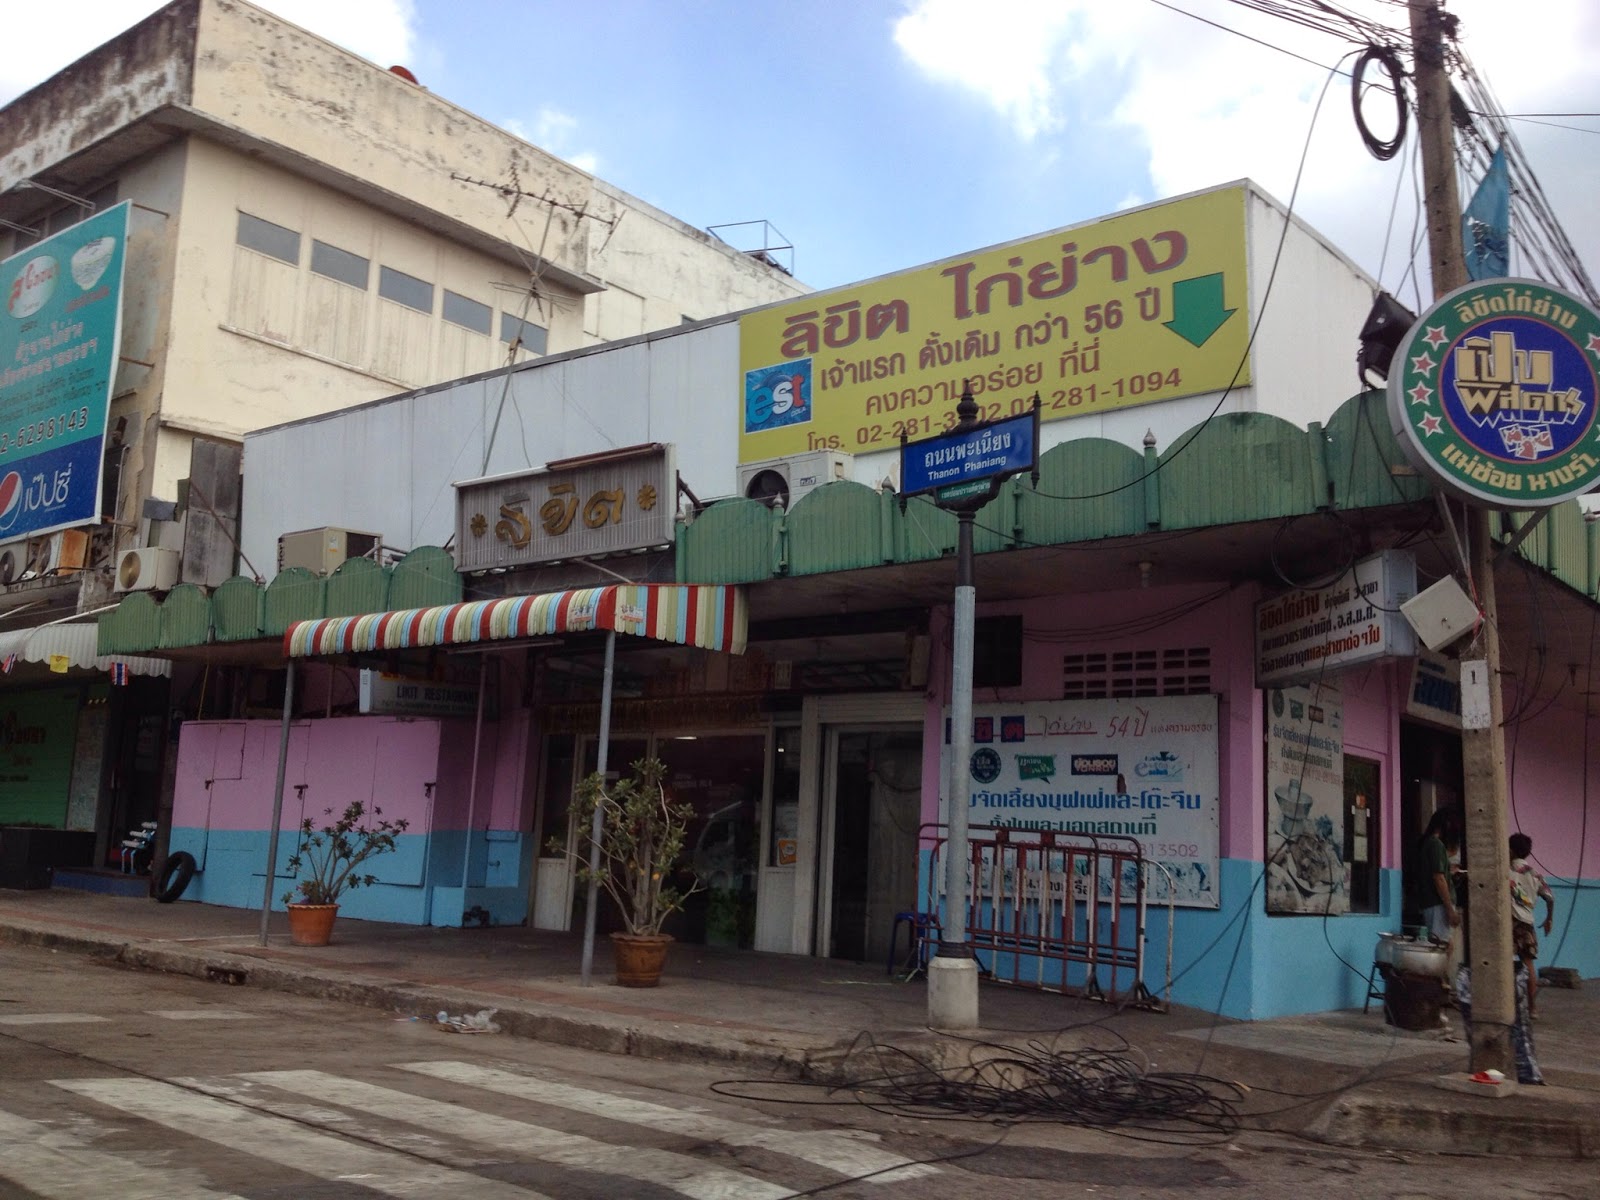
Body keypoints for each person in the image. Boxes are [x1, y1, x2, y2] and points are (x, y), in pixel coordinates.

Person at [1508, 832, 1556, 1019]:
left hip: (1510, 922)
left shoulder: (1507, 871)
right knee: (1528, 965)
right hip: (1528, 922)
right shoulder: (1535, 874)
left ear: (1510, 850)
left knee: (1503, 963)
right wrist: (1549, 918)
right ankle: (1532, 1008)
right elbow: (1550, 897)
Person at [1411, 809, 1462, 948]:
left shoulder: (1428, 844)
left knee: (1443, 944)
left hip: (1432, 903)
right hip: (1438, 904)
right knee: (1441, 945)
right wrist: (1450, 909)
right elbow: (1438, 878)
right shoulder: (1436, 845)